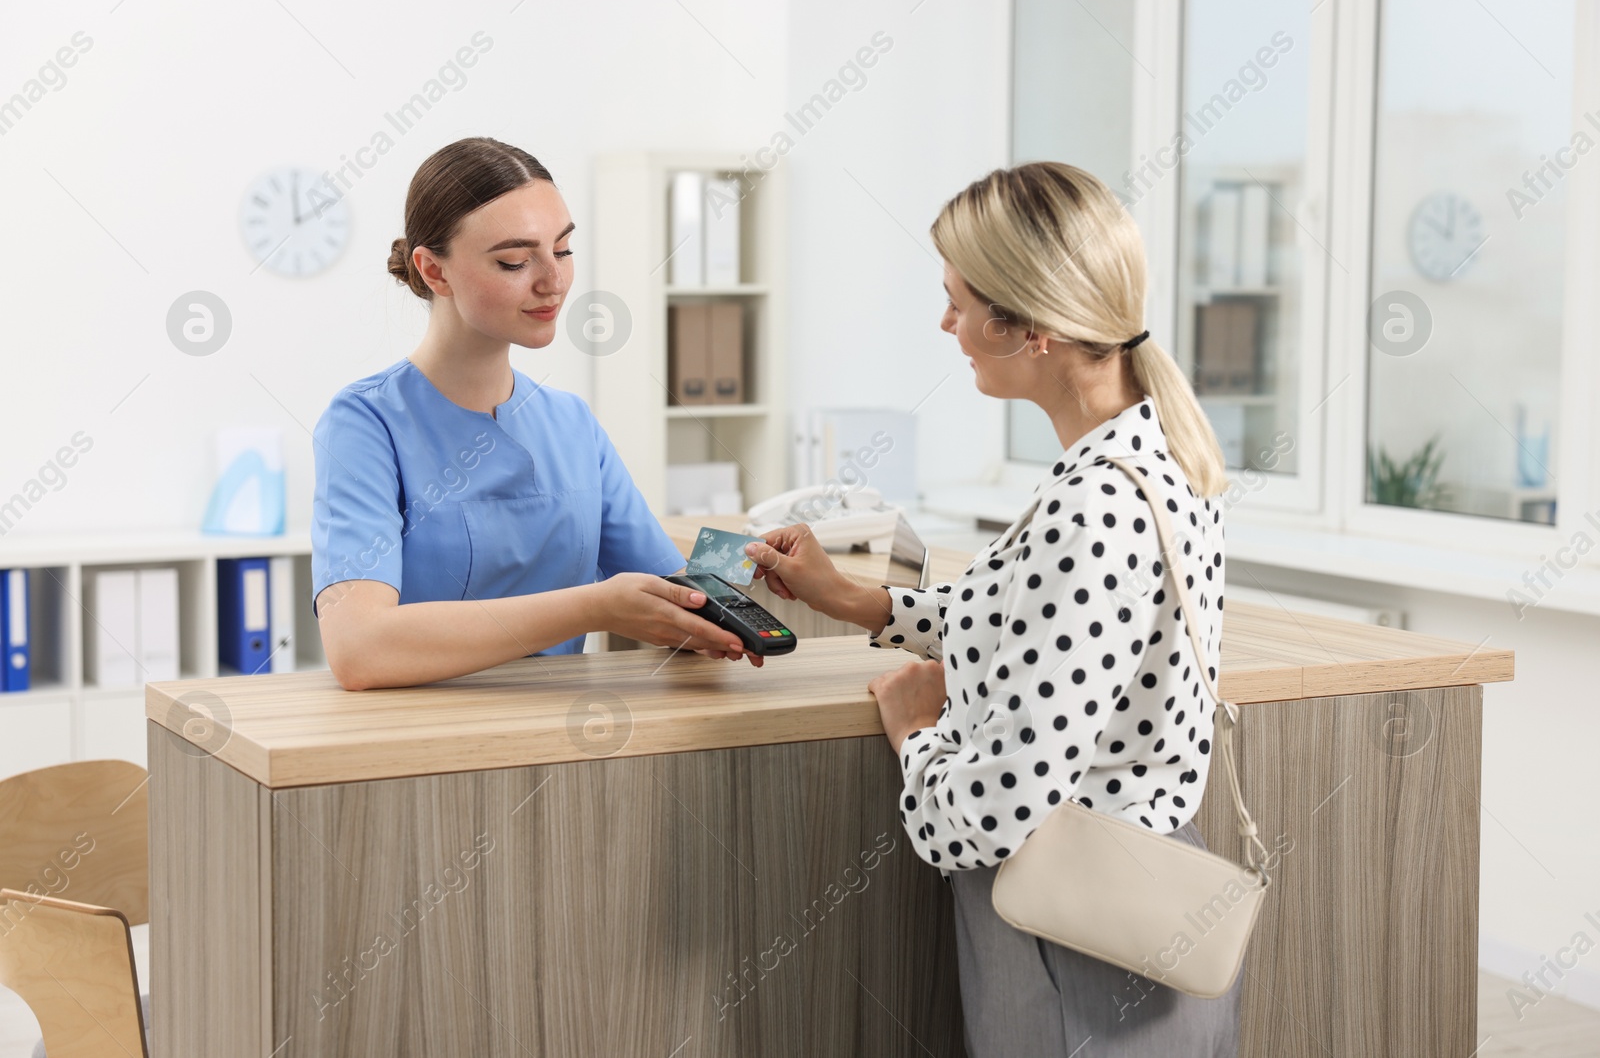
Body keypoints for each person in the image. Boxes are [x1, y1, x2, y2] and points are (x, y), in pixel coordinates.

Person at [744, 162, 1239, 1056]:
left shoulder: (1091, 509)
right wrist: (856, 599)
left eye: (960, 302)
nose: (948, 325)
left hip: (1074, 937)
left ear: (1032, 330)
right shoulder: (1152, 454)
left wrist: (913, 730)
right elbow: (1035, 622)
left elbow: (987, 814)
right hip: (1136, 909)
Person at [310, 137, 758, 691]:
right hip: (422, 755)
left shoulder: (572, 425)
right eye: (515, 261)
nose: (553, 280)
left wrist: (750, 556)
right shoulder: (365, 423)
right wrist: (592, 608)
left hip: (565, 745)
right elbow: (359, 649)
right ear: (434, 271)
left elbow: (680, 603)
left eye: (564, 250)